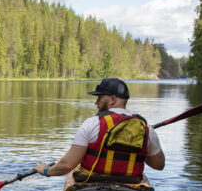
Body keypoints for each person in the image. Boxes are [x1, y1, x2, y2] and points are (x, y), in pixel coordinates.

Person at [33, 77, 165, 183]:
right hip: (131, 187)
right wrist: (140, 145)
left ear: (113, 99)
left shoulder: (92, 124)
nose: (96, 102)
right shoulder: (145, 128)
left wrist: (45, 171)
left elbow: (66, 166)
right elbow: (159, 165)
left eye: (100, 98)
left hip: (91, 184)